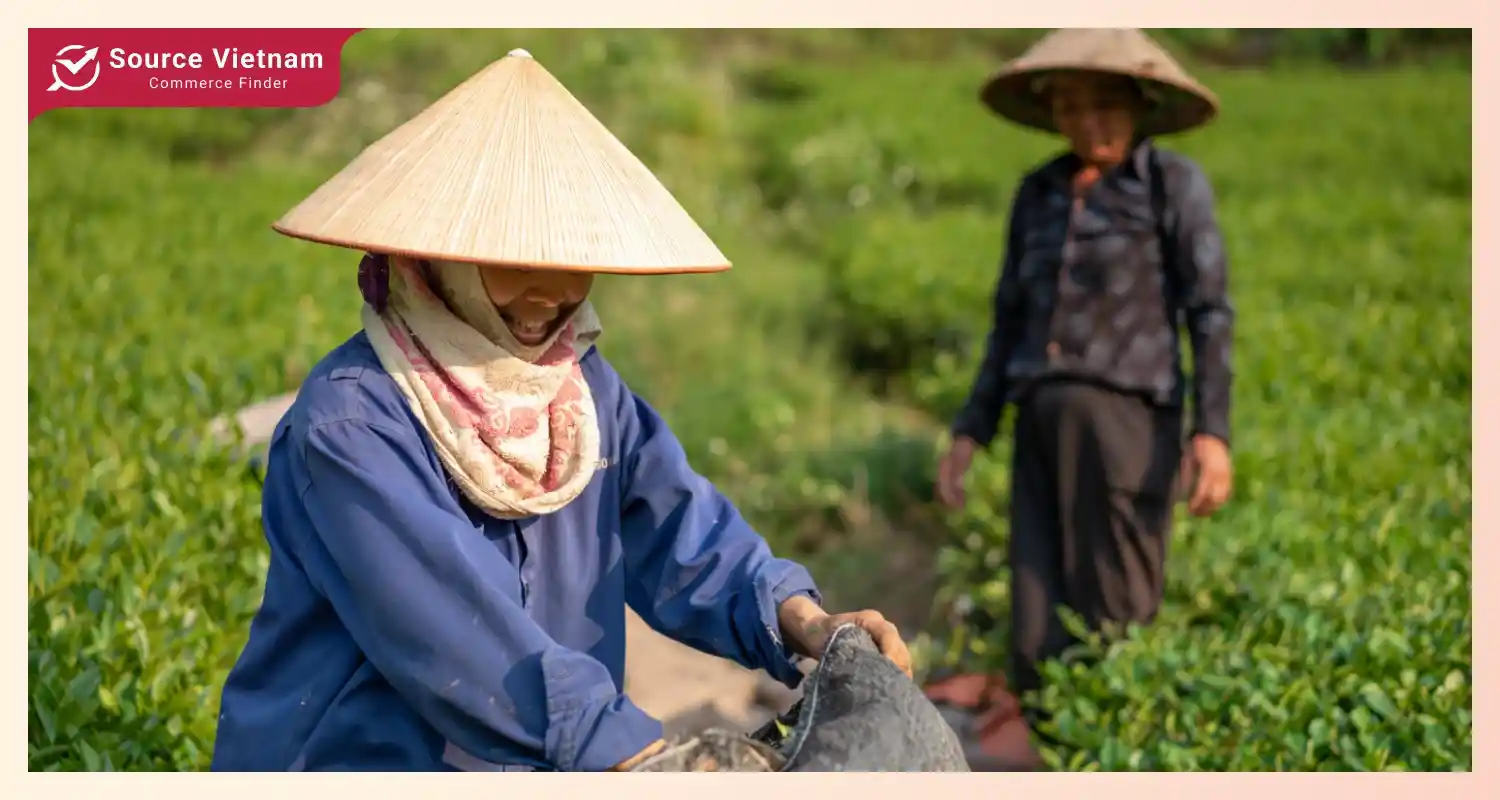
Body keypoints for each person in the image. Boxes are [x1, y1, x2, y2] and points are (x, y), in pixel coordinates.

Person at [211, 49, 910, 773]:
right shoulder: (353, 423)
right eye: (515, 261)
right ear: (438, 258)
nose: (549, 293)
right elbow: (455, 633)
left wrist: (805, 621)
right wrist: (629, 754)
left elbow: (679, 529)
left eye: (569, 260)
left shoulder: (582, 395)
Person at [934, 29, 1235, 698]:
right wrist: (970, 431)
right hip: (1037, 418)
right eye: (1068, 106)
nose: (1085, 120)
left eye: (1103, 103)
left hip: (1128, 418)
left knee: (1116, 594)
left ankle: (1116, 738)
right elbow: (1008, 320)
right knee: (1036, 590)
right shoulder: (1038, 191)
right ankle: (1044, 739)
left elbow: (1209, 312)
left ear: (1138, 103)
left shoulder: (1169, 185)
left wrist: (1211, 433)